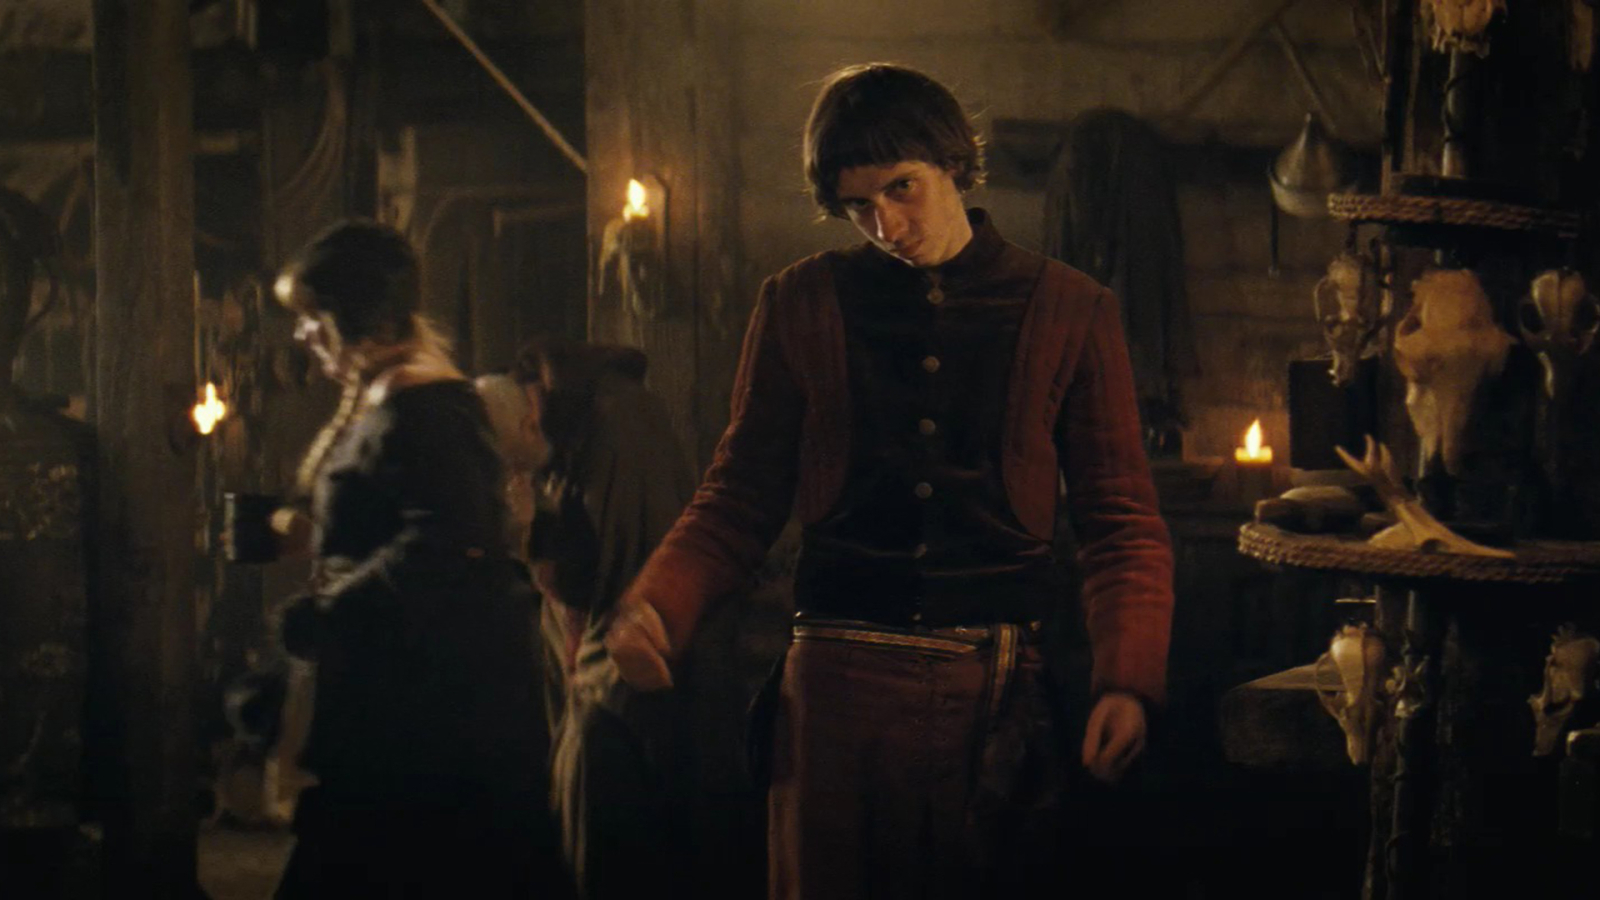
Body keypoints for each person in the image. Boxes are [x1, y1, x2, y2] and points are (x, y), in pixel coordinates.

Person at [605, 63, 1176, 898]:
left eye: (902, 187)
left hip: (992, 689)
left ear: (953, 162)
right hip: (834, 690)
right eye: (858, 206)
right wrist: (658, 605)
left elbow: (1120, 521)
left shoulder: (1068, 308)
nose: (887, 225)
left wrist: (1128, 679)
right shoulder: (800, 303)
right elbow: (739, 495)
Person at [261, 220, 553, 898]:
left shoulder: (425, 407)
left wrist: (330, 613)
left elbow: (449, 540)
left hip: (427, 719)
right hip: (402, 705)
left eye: (313, 317)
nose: (302, 335)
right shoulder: (394, 400)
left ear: (356, 317)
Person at [510, 337, 702, 900]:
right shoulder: (572, 438)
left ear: (542, 390)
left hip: (622, 690)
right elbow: (574, 560)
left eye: (528, 413)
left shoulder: (618, 424)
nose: (526, 426)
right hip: (594, 678)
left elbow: (628, 561)